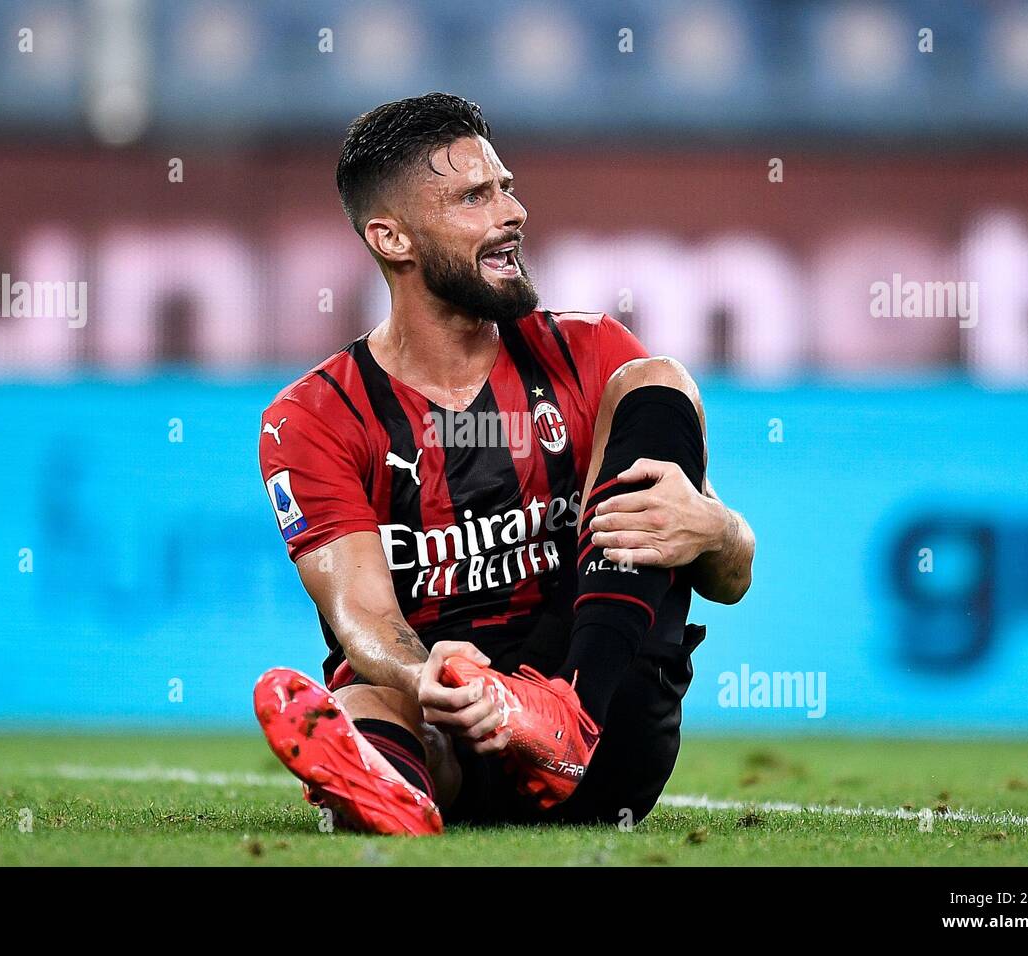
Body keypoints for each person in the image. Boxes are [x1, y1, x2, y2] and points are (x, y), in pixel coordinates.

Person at [253, 93, 754, 835]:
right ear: (394, 239)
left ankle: (559, 720)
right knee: (371, 694)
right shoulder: (314, 417)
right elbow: (361, 618)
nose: (512, 211)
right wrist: (434, 676)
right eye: (473, 197)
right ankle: (388, 780)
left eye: (506, 186)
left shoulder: (594, 355)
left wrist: (716, 529)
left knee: (660, 380)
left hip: (606, 720)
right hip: (459, 709)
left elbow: (731, 576)